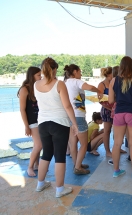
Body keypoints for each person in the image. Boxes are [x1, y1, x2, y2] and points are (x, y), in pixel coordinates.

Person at [34, 57, 78, 198]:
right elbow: (67, 106)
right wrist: (74, 124)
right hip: (59, 123)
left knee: (46, 153)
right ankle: (60, 189)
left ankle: (40, 184)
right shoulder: (59, 84)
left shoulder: (36, 85)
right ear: (54, 70)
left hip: (42, 123)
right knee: (60, 156)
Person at [108, 56, 132, 179]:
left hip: (119, 113)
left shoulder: (113, 81)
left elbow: (110, 100)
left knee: (117, 144)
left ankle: (116, 170)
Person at [64, 64, 102, 175]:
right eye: (80, 71)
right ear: (75, 72)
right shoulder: (76, 81)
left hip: (69, 116)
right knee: (84, 144)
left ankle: (77, 164)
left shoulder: (65, 83)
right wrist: (98, 90)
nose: (81, 74)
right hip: (78, 117)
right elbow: (89, 87)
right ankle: (78, 168)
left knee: (73, 143)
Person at [18, 66, 42, 177]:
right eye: (38, 75)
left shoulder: (36, 87)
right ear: (32, 76)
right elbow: (22, 109)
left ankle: (37, 164)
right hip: (32, 121)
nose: (40, 77)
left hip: (40, 119)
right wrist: (26, 126)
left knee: (37, 144)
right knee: (39, 145)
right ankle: (30, 167)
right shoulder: (24, 89)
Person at [97, 67, 113, 157]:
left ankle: (117, 147)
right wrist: (110, 108)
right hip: (106, 110)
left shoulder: (114, 83)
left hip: (115, 109)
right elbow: (100, 100)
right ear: (109, 74)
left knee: (118, 130)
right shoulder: (102, 84)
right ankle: (107, 150)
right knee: (107, 131)